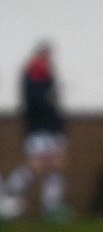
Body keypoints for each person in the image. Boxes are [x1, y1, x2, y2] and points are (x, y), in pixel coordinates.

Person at [1, 41, 70, 221]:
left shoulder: (47, 74)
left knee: (56, 165)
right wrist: (47, 96)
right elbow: (35, 101)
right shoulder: (33, 73)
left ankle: (51, 207)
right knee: (36, 166)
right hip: (39, 127)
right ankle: (8, 193)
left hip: (52, 126)